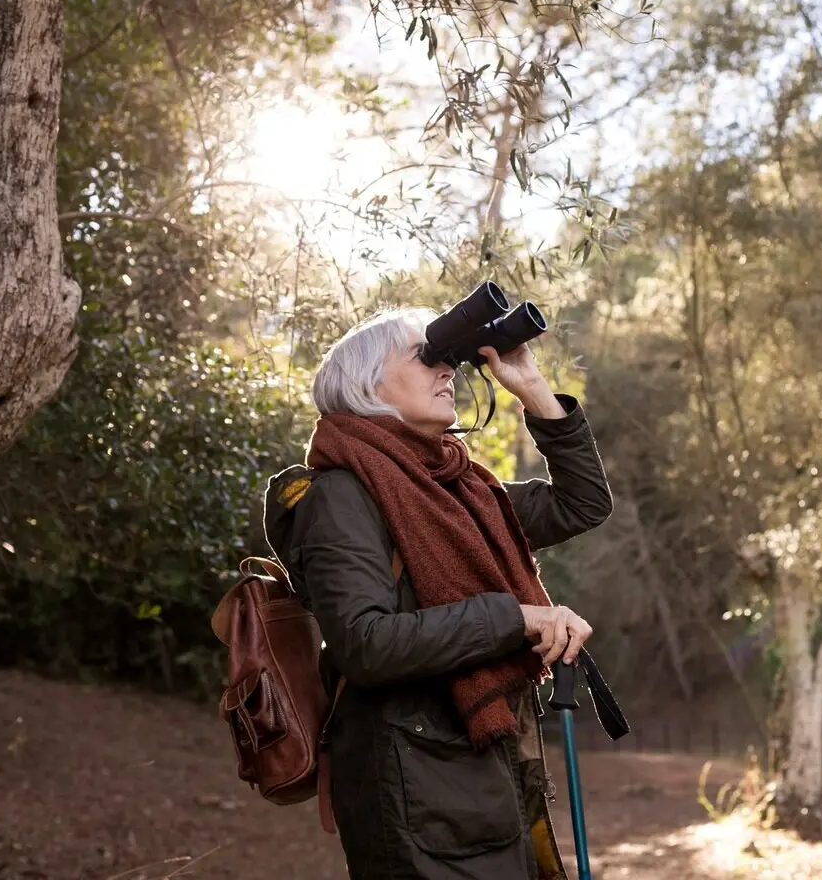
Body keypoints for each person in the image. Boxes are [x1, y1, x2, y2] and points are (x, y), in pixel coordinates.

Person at [261, 306, 613, 880]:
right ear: (368, 384)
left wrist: (532, 388)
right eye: (426, 356)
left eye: (448, 356)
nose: (448, 369)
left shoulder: (461, 490)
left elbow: (584, 503)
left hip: (484, 778)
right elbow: (365, 644)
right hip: (412, 795)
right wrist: (516, 618)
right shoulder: (340, 496)